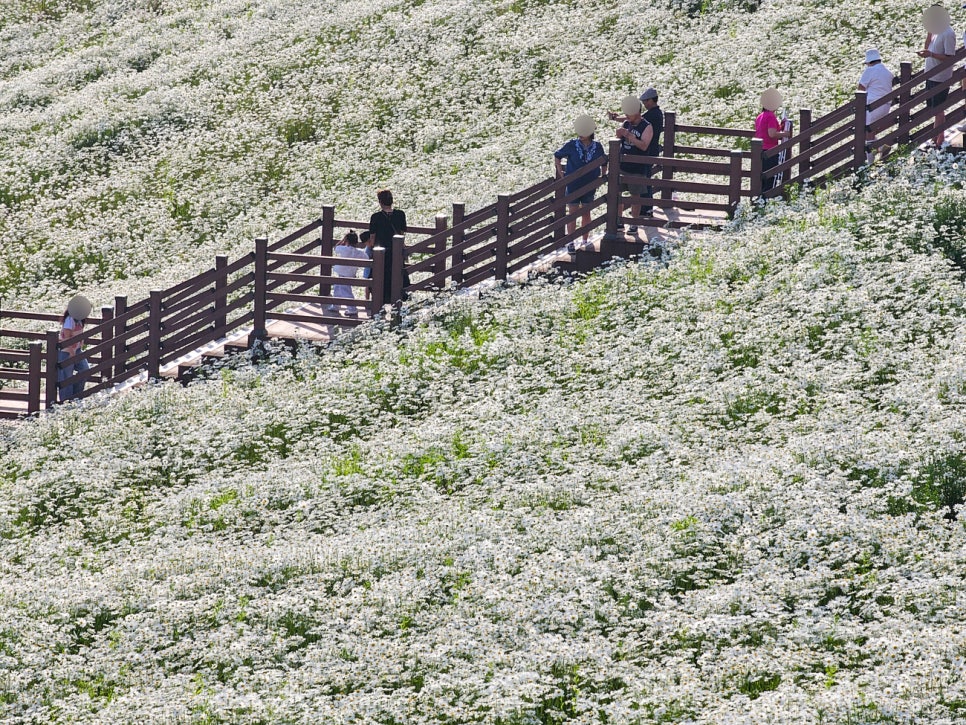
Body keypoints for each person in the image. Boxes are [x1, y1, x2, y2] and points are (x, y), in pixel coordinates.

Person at [554, 115, 607, 245]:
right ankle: (571, 242)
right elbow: (557, 156)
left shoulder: (598, 146)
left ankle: (585, 240)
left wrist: (602, 176)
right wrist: (561, 174)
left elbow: (604, 161)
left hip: (590, 185)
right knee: (572, 212)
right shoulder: (572, 145)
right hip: (573, 184)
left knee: (586, 212)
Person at [918, 4, 957, 147]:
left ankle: (937, 139)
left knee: (938, 110)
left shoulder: (948, 33)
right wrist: (929, 34)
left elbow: (950, 57)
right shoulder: (936, 31)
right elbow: (927, 47)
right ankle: (938, 137)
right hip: (931, 74)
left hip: (940, 77)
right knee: (935, 109)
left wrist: (931, 54)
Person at [614, 96, 653, 234]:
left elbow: (644, 146)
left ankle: (634, 223)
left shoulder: (646, 126)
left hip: (637, 167)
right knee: (617, 194)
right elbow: (619, 138)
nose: (626, 115)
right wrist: (619, 134)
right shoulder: (626, 123)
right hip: (622, 166)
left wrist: (630, 136)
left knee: (635, 196)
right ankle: (619, 221)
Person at [368, 188, 407, 304]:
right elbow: (402, 233)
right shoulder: (400, 214)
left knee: (379, 275)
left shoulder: (375, 217)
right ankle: (397, 300)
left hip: (381, 251)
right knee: (396, 274)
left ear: (380, 202)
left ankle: (380, 301)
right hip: (396, 251)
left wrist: (371, 248)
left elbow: (372, 237)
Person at [858, 48, 895, 162]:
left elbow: (861, 88)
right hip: (885, 106)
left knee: (867, 132)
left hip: (872, 105)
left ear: (869, 62)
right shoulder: (888, 72)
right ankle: (881, 147)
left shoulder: (870, 71)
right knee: (871, 131)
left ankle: (870, 162)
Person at [755, 89, 791, 192]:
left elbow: (765, 132)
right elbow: (771, 134)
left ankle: (760, 200)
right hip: (770, 151)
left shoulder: (760, 116)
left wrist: (780, 126)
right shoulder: (771, 116)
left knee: (762, 178)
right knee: (770, 178)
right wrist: (786, 134)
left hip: (760, 150)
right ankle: (767, 199)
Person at [58, 294, 92, 402]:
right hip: (66, 351)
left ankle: (76, 396)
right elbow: (67, 337)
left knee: (85, 369)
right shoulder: (69, 319)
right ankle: (66, 401)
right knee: (66, 377)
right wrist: (72, 352)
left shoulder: (80, 320)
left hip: (76, 350)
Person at [328, 232, 369, 316]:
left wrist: (342, 240)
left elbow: (335, 248)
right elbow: (366, 258)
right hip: (350, 274)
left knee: (344, 291)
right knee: (338, 289)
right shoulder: (359, 253)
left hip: (341, 272)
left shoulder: (344, 249)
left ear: (347, 241)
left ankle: (352, 308)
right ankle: (336, 305)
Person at [640, 88, 664, 216]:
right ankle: (646, 208)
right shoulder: (657, 113)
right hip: (652, 150)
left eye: (645, 101)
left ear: (651, 100)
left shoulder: (652, 115)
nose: (644, 104)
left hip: (648, 151)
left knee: (645, 180)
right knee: (646, 179)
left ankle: (646, 209)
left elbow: (636, 120)